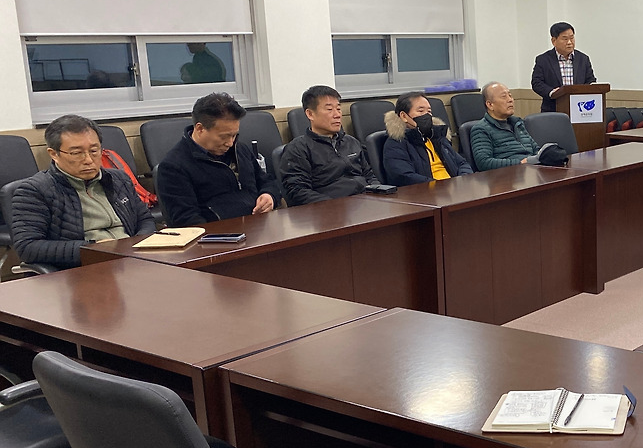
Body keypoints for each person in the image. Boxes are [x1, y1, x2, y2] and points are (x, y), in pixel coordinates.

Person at [10, 115, 156, 270]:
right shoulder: (35, 190)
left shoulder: (118, 179)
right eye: (76, 153)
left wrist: (135, 245)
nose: (88, 160)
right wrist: (92, 248)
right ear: (54, 154)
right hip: (84, 267)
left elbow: (145, 220)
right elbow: (28, 247)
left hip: (133, 260)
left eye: (94, 151)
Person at [156, 93, 281, 226]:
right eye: (223, 137)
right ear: (200, 129)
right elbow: (187, 221)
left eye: (234, 135)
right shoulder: (173, 167)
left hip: (257, 227)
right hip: (218, 235)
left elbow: (267, 181)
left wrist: (269, 196)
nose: (230, 143)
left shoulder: (240, 150)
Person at [279, 86, 376, 205]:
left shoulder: (351, 142)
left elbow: (370, 176)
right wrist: (334, 206)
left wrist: (380, 193)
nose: (337, 115)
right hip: (329, 209)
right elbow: (297, 191)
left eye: (338, 109)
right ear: (310, 114)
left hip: (364, 204)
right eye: (329, 109)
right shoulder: (298, 148)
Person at [381, 92, 473, 184]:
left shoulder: (437, 137)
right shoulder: (396, 143)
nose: (427, 115)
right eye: (421, 111)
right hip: (427, 190)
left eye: (429, 111)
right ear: (404, 116)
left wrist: (462, 180)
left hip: (455, 187)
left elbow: (462, 163)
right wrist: (439, 186)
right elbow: (403, 176)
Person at [468, 82, 541, 170]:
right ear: (490, 105)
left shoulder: (518, 123)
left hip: (531, 169)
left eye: (510, 95)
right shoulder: (481, 129)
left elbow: (535, 149)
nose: (510, 100)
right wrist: (521, 163)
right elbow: (484, 163)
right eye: (504, 97)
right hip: (508, 174)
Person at [530, 22, 596, 113]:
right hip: (553, 109)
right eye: (565, 39)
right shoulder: (543, 60)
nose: (569, 42)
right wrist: (552, 92)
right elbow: (536, 83)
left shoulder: (583, 59)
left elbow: (590, 80)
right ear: (554, 41)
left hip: (580, 110)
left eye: (572, 38)